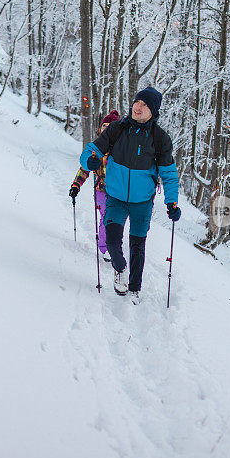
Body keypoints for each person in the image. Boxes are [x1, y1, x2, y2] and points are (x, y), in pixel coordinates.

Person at [78, 86, 181, 299]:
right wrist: (90, 160)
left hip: (142, 202)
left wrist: (172, 202)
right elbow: (92, 149)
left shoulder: (160, 139)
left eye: (145, 105)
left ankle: (134, 288)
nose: (139, 107)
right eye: (137, 102)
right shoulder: (117, 129)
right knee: (113, 242)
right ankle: (120, 269)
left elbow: (169, 174)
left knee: (137, 246)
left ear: (153, 111)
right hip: (115, 196)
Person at [69, 110, 120, 262]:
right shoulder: (97, 148)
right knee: (107, 218)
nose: (106, 128)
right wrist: (76, 185)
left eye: (109, 126)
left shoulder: (121, 148)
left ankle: (114, 245)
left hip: (119, 191)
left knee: (116, 221)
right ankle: (105, 249)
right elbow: (84, 168)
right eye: (104, 125)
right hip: (101, 190)